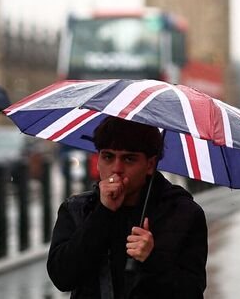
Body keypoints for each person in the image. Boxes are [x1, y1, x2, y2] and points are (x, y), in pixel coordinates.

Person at [47, 117, 207, 298]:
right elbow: (62, 277)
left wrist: (152, 259)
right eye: (108, 157)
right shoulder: (78, 209)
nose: (116, 168)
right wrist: (102, 213)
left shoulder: (182, 214)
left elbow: (192, 291)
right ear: (98, 160)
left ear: (150, 164)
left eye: (129, 159)